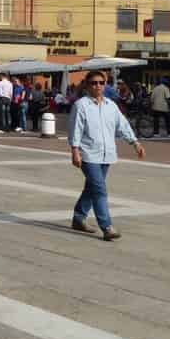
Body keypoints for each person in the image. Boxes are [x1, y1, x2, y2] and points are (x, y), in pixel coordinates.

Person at [69, 69, 145, 241]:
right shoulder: (81, 105)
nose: (97, 86)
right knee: (100, 190)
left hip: (107, 154)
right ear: (87, 85)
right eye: (93, 83)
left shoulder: (111, 106)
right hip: (88, 154)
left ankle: (79, 218)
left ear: (105, 85)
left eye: (101, 83)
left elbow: (123, 125)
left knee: (92, 188)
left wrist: (135, 143)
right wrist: (75, 150)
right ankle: (107, 226)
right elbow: (75, 129)